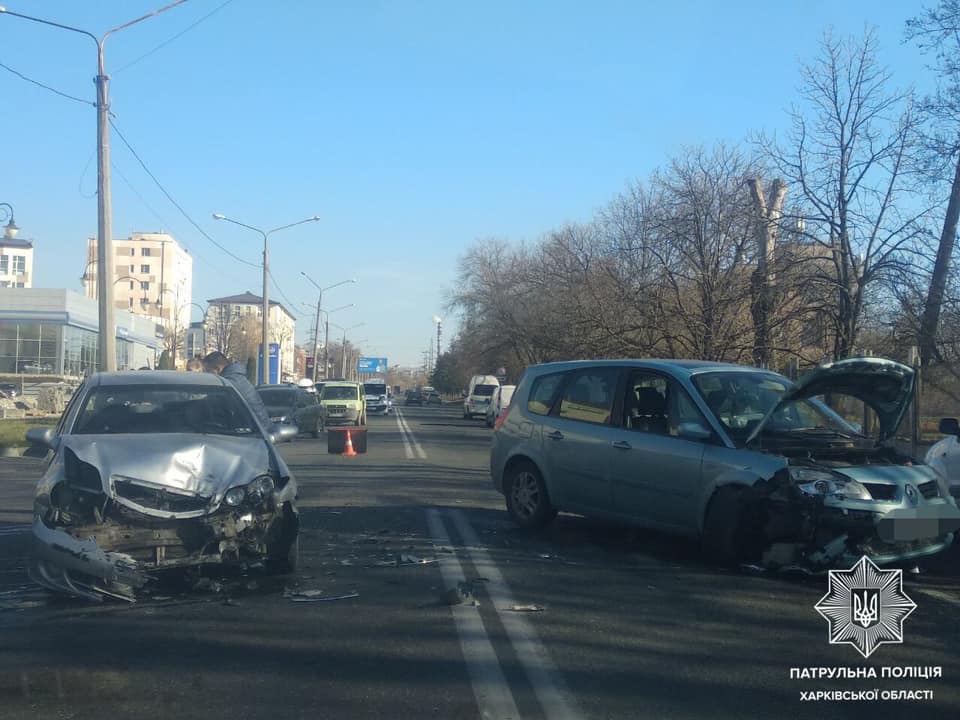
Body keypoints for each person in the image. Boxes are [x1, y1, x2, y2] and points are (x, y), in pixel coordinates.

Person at [201, 351, 272, 429]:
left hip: (255, 433)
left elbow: (212, 403)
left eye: (208, 371)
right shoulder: (235, 378)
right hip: (249, 429)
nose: (206, 375)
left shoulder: (230, 384)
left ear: (217, 369)